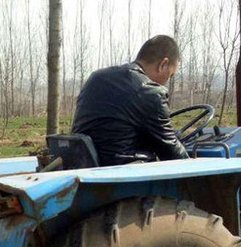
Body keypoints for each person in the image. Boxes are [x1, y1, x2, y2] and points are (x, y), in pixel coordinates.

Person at [71, 35, 189, 166]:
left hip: (87, 168)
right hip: (126, 173)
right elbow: (171, 151)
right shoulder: (150, 92)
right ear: (163, 64)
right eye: (170, 75)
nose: (167, 81)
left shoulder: (96, 78)